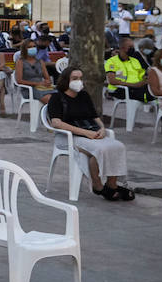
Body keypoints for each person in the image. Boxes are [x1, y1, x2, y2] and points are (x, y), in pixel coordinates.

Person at [47, 68, 133, 201]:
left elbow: (94, 116)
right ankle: (97, 185)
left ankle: (111, 184)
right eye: (74, 78)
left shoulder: (84, 96)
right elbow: (56, 123)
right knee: (100, 149)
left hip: (91, 131)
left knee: (118, 146)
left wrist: (102, 129)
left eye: (80, 78)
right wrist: (85, 133)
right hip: (69, 136)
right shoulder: (57, 98)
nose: (78, 81)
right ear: (66, 80)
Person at [105, 37, 155, 103]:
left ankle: (155, 100)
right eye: (130, 47)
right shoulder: (112, 61)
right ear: (122, 48)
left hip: (135, 88)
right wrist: (134, 85)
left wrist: (146, 79)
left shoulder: (135, 61)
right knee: (148, 94)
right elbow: (112, 81)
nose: (133, 49)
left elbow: (142, 76)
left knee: (154, 88)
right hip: (120, 89)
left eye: (133, 47)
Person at [14, 39, 57, 106]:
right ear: (24, 49)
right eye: (29, 47)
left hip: (42, 87)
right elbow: (19, 81)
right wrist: (37, 83)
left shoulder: (40, 62)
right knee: (51, 100)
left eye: (34, 46)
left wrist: (47, 82)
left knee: (59, 96)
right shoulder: (20, 62)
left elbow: (47, 78)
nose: (32, 48)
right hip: (29, 89)